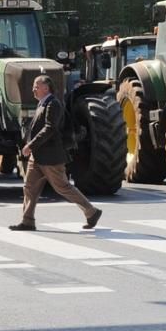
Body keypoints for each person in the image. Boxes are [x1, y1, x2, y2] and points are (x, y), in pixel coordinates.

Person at [10, 75, 102, 232]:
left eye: (36, 86)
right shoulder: (42, 104)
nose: (33, 89)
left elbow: (50, 129)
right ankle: (27, 221)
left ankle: (91, 212)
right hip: (38, 156)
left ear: (46, 88)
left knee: (63, 187)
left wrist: (31, 145)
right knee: (29, 187)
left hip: (50, 156)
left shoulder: (53, 104)